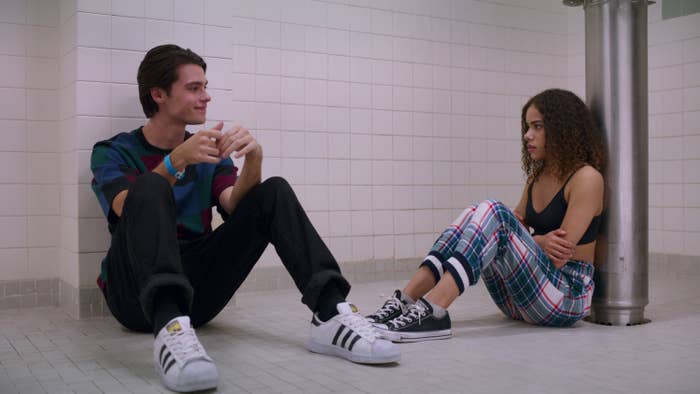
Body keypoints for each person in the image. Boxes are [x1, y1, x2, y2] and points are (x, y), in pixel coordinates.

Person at [90, 44, 399, 393]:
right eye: (194, 88)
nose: (206, 96)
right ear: (158, 94)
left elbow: (234, 204)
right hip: (133, 295)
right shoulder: (113, 152)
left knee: (274, 190)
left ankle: (330, 313)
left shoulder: (208, 150)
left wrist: (254, 158)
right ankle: (169, 328)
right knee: (149, 186)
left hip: (197, 295)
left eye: (205, 86)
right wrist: (174, 163)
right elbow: (123, 207)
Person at [367, 88, 606, 342]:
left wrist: (532, 239)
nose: (527, 136)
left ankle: (434, 311)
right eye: (527, 127)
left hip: (566, 298)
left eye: (537, 127)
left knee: (495, 212)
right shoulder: (538, 176)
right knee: (475, 213)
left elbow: (558, 256)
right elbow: (519, 230)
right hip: (521, 300)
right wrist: (538, 241)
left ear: (562, 130)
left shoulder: (587, 178)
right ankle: (405, 301)